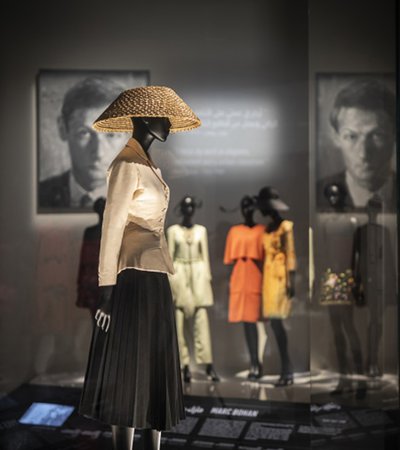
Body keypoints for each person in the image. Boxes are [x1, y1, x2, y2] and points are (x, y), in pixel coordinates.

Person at [78, 86, 201, 450]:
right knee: (129, 364)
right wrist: (106, 291)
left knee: (154, 360)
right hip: (131, 276)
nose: (167, 124)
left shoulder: (148, 163)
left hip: (155, 274)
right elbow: (112, 226)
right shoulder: (125, 164)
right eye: (162, 118)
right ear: (146, 119)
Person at [39, 77, 127, 211]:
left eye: (111, 134)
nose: (98, 153)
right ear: (62, 129)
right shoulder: (39, 195)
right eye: (84, 133)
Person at [317, 78, 396, 210]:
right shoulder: (317, 195)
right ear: (336, 137)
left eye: (377, 135)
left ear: (395, 136)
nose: (363, 154)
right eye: (351, 136)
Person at [167, 196, 219, 383]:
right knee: (179, 324)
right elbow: (170, 258)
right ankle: (184, 366)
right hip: (179, 275)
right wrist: (171, 281)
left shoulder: (201, 231)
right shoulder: (172, 231)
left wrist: (207, 279)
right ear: (181, 209)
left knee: (201, 323)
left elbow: (205, 257)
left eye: (191, 206)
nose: (189, 210)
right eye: (185, 206)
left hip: (198, 275)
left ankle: (208, 364)